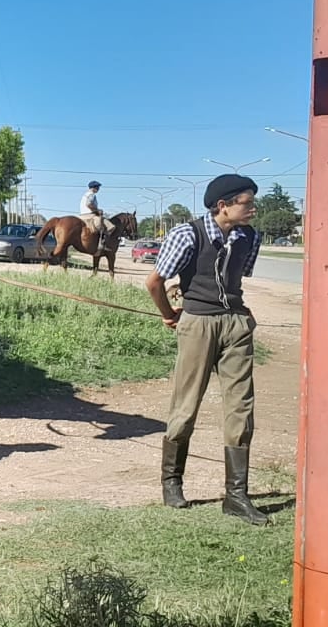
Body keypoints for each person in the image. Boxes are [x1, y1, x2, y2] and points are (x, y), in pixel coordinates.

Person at [143, 173, 267, 526]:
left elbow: (237, 277)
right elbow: (154, 282)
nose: (252, 209)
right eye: (246, 202)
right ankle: (171, 482)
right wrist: (170, 316)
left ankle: (237, 496)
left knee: (242, 407)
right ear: (222, 206)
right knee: (186, 404)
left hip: (236, 324)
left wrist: (238, 316)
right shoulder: (188, 233)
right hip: (198, 322)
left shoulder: (250, 237)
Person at [80, 180, 113, 244]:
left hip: (82, 215)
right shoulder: (92, 195)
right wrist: (98, 210)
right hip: (90, 215)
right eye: (97, 187)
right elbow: (88, 204)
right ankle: (103, 242)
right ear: (94, 188)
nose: (98, 189)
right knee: (111, 227)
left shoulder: (85, 195)